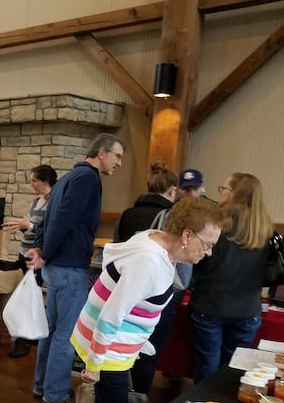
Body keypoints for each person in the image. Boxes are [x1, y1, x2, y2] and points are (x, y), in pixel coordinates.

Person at [74, 197, 227, 403]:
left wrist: (140, 339)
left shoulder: (154, 238)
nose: (208, 252)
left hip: (111, 346)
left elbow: (136, 301)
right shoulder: (149, 261)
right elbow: (111, 315)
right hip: (106, 352)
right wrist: (94, 365)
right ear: (187, 235)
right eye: (207, 244)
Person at [25, 132, 124, 403]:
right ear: (102, 153)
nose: (119, 163)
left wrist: (41, 248)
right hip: (68, 267)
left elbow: (47, 220)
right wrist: (44, 252)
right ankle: (55, 394)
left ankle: (42, 386)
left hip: (57, 266)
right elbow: (62, 220)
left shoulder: (68, 177)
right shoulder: (87, 179)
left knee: (52, 330)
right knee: (66, 336)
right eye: (117, 156)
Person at [189, 172, 274, 383]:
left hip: (209, 305)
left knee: (207, 368)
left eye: (223, 189)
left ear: (234, 193)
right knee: (233, 371)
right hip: (247, 309)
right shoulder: (266, 229)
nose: (220, 194)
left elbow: (198, 263)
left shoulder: (215, 223)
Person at [114, 163, 181, 395]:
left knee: (122, 347)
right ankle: (138, 395)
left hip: (126, 288)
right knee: (149, 351)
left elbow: (117, 248)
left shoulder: (127, 214)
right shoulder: (172, 218)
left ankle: (120, 391)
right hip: (156, 295)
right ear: (172, 190)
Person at [1, 164, 57, 358]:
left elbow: (48, 229)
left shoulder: (54, 202)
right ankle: (26, 334)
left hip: (37, 256)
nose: (31, 184)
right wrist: (22, 226)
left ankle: (23, 339)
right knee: (24, 293)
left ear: (44, 181)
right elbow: (32, 227)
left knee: (29, 297)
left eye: (34, 180)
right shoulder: (35, 202)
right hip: (24, 251)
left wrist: (29, 224)